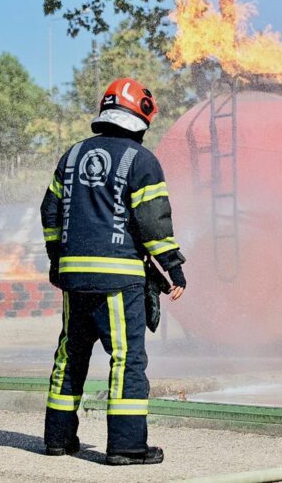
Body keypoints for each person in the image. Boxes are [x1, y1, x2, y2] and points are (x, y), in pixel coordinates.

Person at [40, 78, 188, 465]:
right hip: (118, 280)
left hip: (74, 278)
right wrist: (172, 267)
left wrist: (58, 259)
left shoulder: (71, 156)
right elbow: (153, 222)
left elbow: (50, 212)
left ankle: (57, 439)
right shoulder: (141, 161)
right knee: (126, 359)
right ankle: (126, 446)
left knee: (70, 353)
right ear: (140, 115)